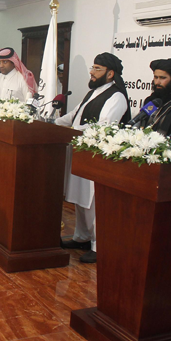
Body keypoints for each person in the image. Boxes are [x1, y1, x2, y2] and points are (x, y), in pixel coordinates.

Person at [55, 52, 130, 264]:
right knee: (81, 198)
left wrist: (74, 130)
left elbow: (104, 126)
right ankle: (82, 237)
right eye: (93, 67)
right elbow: (74, 116)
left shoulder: (116, 96)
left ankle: (99, 245)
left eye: (97, 69)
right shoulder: (93, 93)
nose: (92, 72)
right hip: (82, 152)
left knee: (94, 200)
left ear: (110, 73)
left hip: (99, 158)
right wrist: (52, 123)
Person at [0, 48, 39, 209]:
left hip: (16, 133)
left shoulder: (24, 78)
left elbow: (31, 106)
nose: (1, 65)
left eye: (4, 62)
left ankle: (10, 204)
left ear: (13, 61)